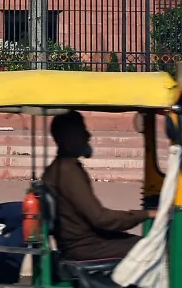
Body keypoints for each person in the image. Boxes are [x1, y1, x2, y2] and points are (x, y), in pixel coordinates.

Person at [41, 110, 144, 262]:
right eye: (82, 132)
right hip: (85, 247)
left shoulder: (59, 169)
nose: (88, 136)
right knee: (151, 248)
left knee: (143, 243)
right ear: (68, 139)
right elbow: (100, 218)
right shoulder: (67, 173)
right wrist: (143, 215)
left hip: (85, 241)